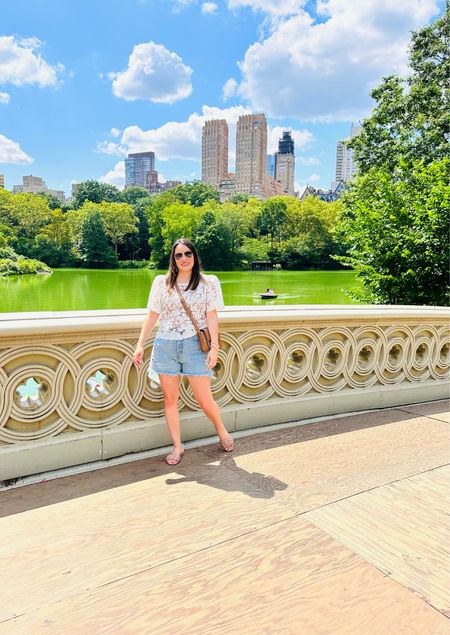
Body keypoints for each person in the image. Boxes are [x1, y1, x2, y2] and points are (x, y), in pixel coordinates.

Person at [133, 238, 234, 466]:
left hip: (194, 346)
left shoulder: (209, 283)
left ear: (194, 256)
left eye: (187, 254)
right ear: (173, 259)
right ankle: (177, 446)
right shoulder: (162, 282)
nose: (184, 259)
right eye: (178, 255)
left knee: (204, 398)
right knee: (170, 399)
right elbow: (153, 314)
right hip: (165, 345)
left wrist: (215, 347)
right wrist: (140, 344)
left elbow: (211, 316)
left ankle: (221, 430)